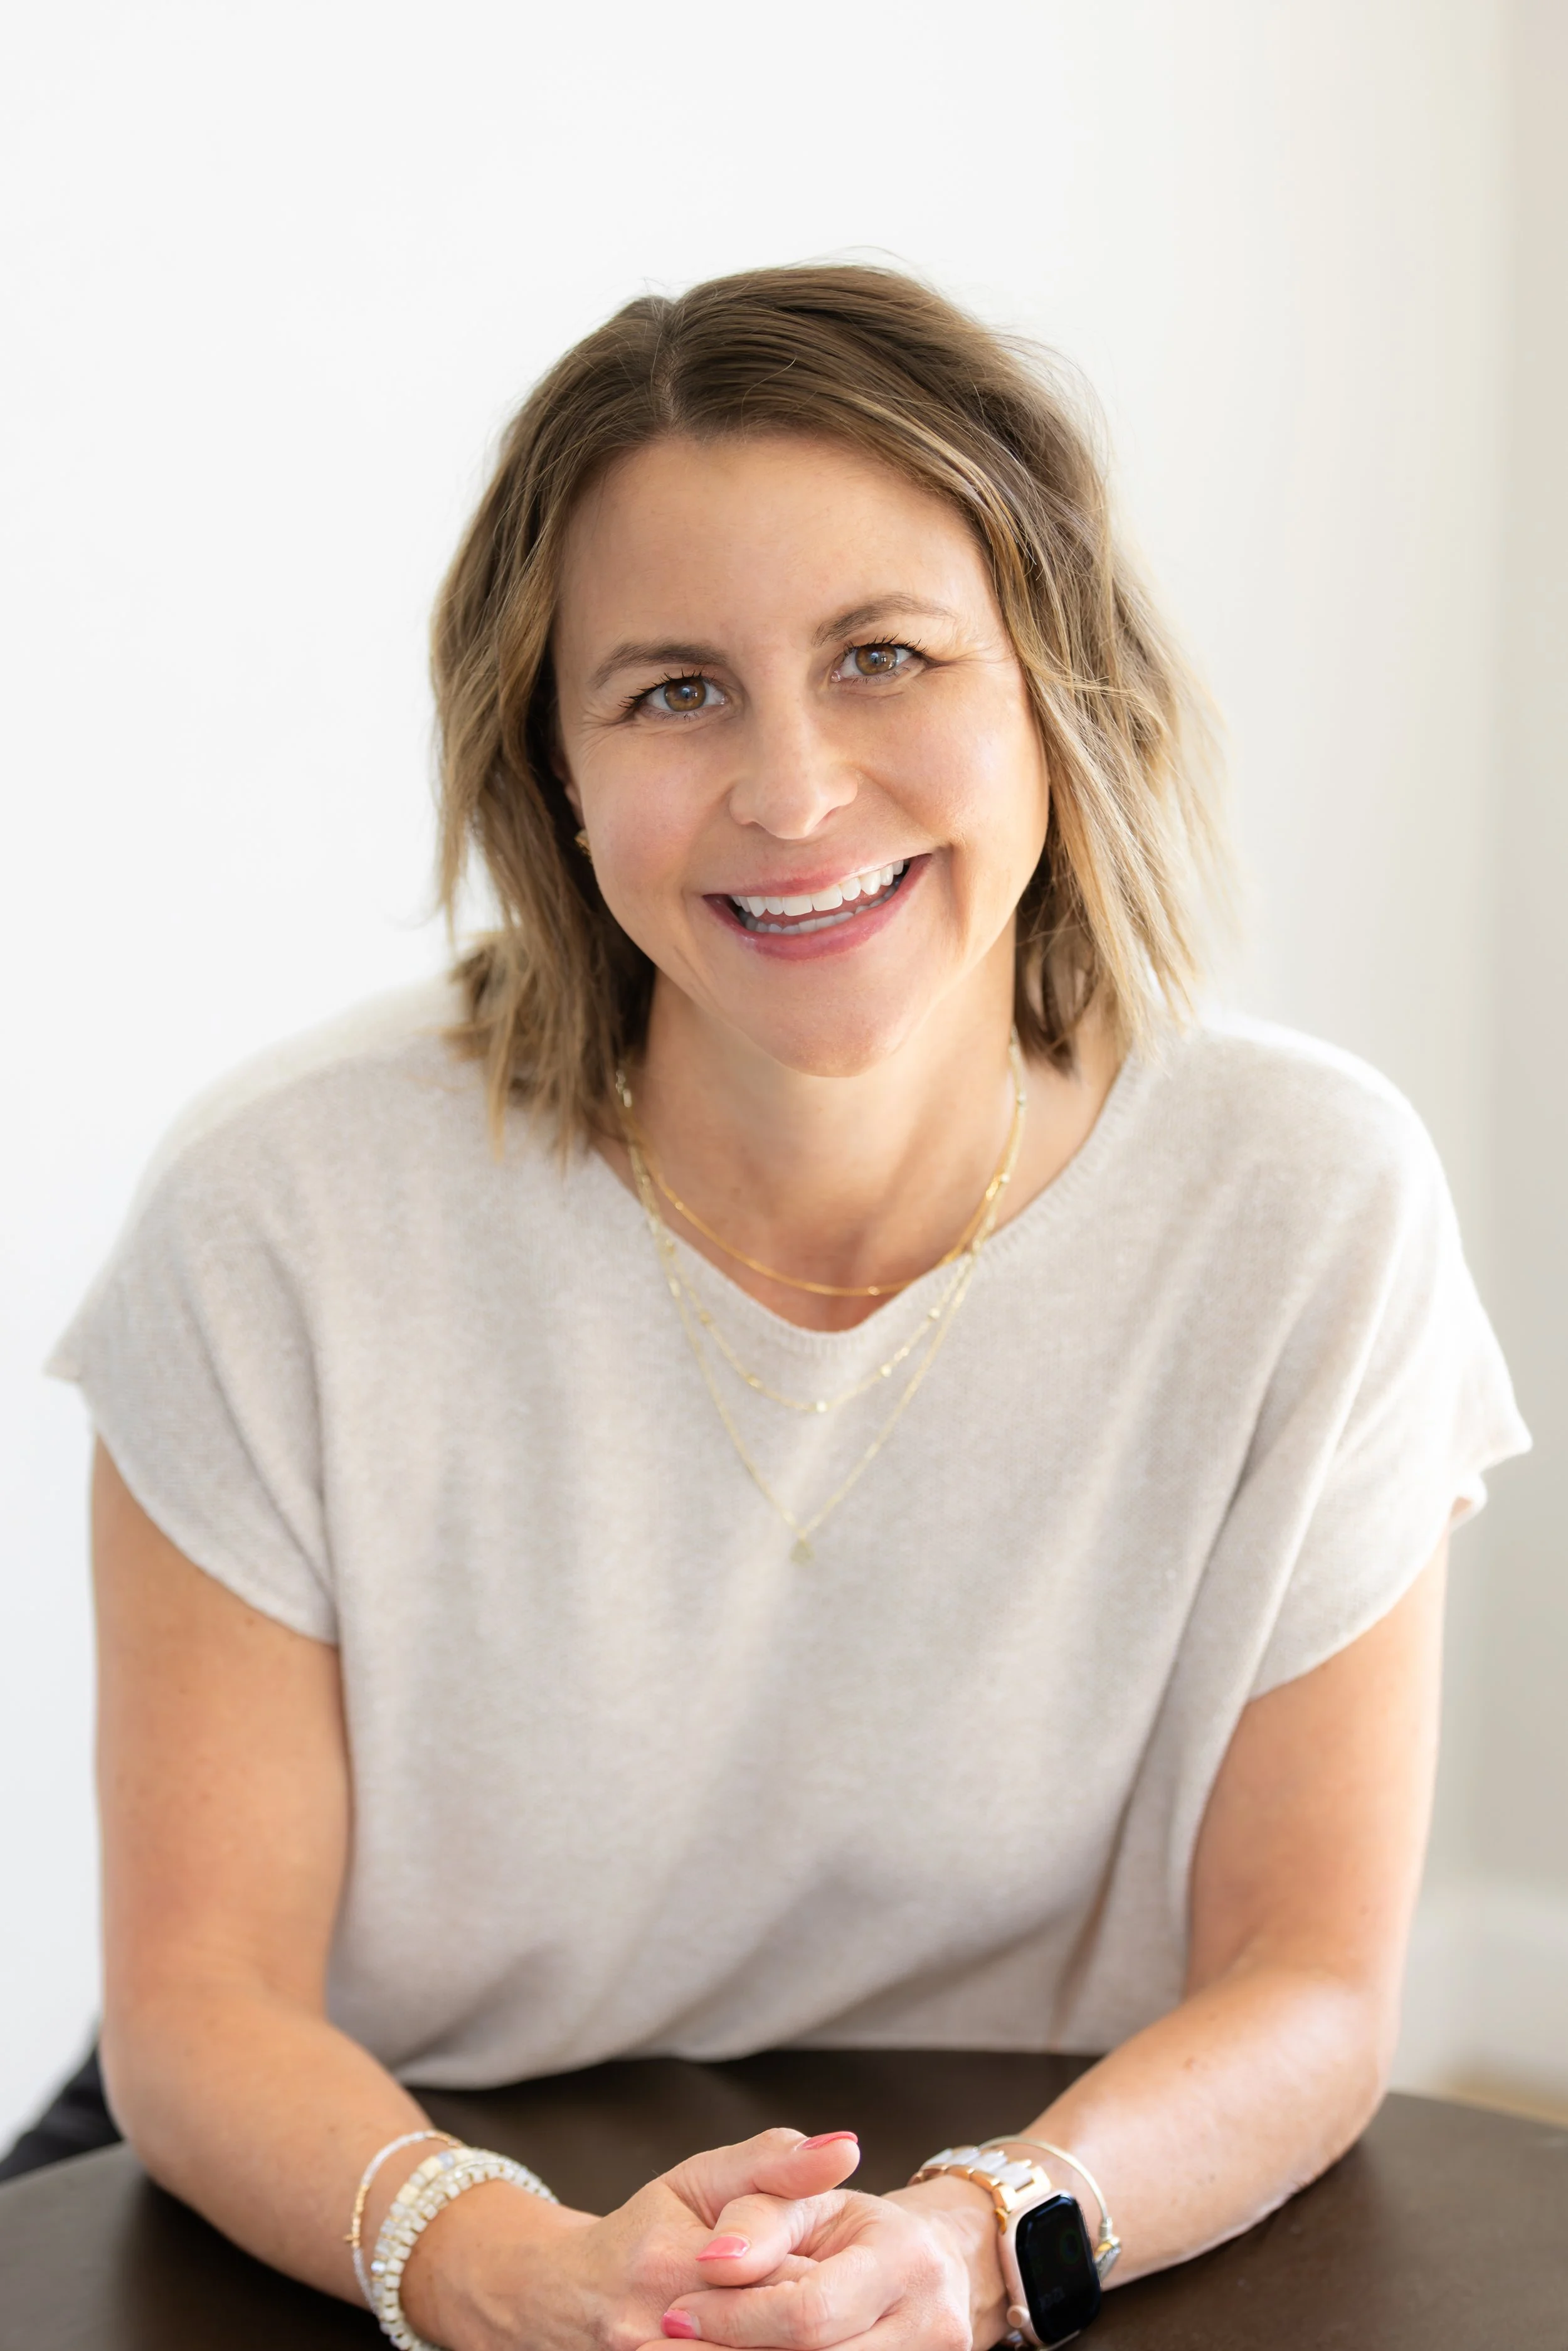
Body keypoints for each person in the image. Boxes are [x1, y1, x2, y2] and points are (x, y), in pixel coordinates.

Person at [51, 264, 1527, 2351]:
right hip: (362, 2198)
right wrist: (504, 2272)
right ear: (553, 769)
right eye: (672, 690)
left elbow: (1305, 1981)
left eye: (882, 656)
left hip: (1046, 2192)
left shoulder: (1306, 1204)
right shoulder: (278, 1216)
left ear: (1055, 685)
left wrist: (979, 2241)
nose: (796, 789)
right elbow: (200, 2004)